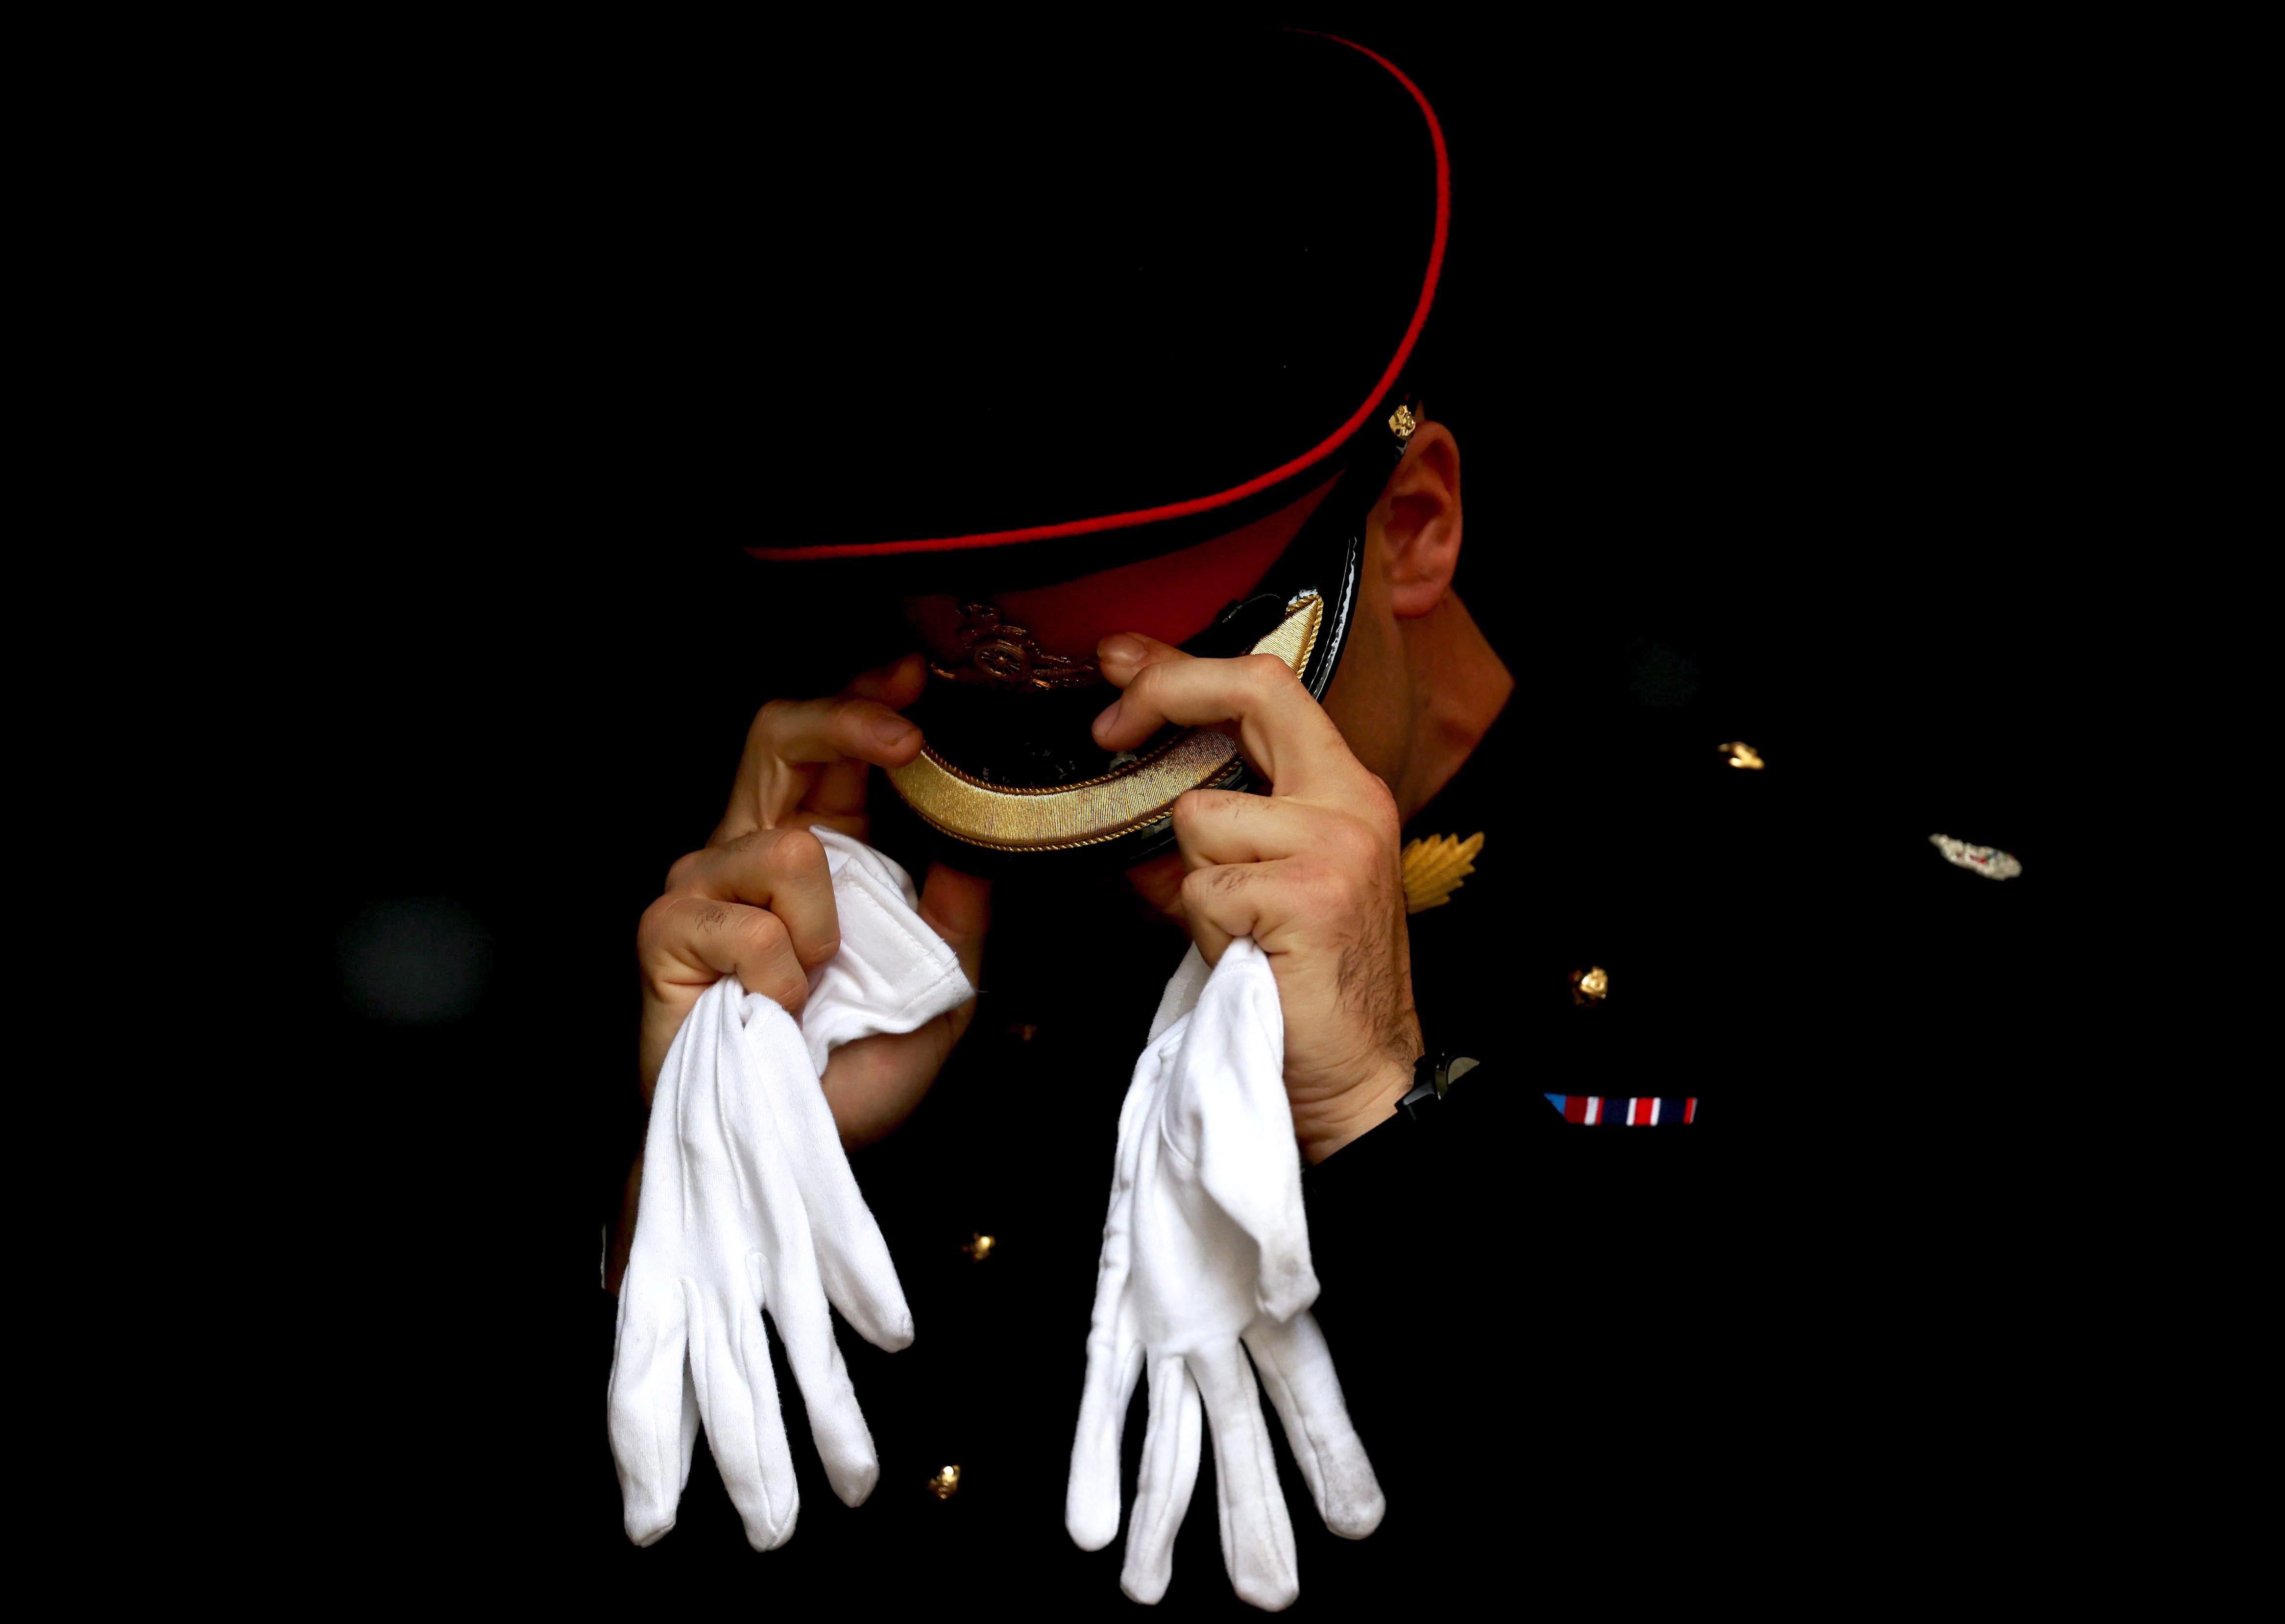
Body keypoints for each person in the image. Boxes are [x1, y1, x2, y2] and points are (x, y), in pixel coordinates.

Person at [593, 22, 2041, 1611]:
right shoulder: (927, 956)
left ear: (1412, 528)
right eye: (1019, 741)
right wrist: (729, 1172)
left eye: (1175, 731)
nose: (1109, 840)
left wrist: (1385, 1121)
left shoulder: (1837, 924)